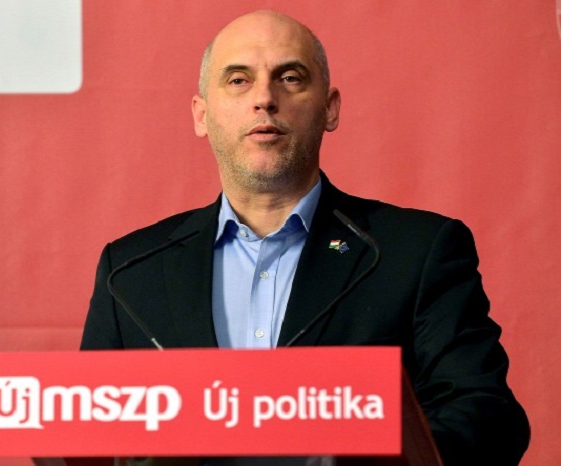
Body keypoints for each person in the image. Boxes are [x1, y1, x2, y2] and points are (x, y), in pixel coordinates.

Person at [81, 10, 529, 465]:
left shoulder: (415, 251)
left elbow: (486, 417)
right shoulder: (130, 273)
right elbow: (90, 434)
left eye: (290, 78)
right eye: (238, 80)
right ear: (202, 114)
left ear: (330, 108)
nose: (264, 99)